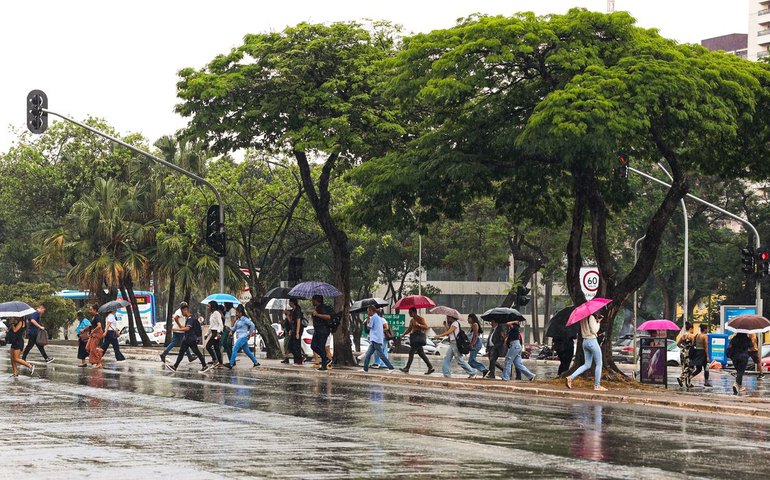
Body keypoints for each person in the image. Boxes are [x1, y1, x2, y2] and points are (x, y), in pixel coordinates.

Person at [165, 303, 211, 373]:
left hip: (190, 339)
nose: (182, 314)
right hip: (188, 338)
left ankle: (204, 366)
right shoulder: (189, 318)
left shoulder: (190, 319)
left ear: (185, 310)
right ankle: (175, 366)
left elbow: (187, 328)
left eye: (182, 312)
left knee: (195, 352)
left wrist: (177, 329)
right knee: (183, 352)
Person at [566, 313, 606, 391]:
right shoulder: (591, 317)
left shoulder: (583, 317)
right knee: (599, 363)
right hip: (592, 341)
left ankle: (570, 377)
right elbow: (594, 330)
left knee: (587, 364)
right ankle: (597, 385)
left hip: (585, 342)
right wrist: (598, 322)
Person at [360, 305, 395, 373]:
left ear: (371, 311)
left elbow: (368, 328)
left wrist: (367, 320)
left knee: (381, 355)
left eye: (368, 311)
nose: (367, 313)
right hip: (376, 339)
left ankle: (391, 368)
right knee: (368, 354)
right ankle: (365, 369)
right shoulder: (378, 318)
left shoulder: (373, 318)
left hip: (375, 339)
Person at [399, 307, 434, 374]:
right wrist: (403, 334)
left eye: (410, 312)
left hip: (418, 338)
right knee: (421, 354)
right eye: (409, 312)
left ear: (414, 312)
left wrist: (419, 325)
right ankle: (430, 367)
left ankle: (407, 368)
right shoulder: (412, 320)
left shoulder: (420, 319)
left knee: (411, 352)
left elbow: (426, 326)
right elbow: (409, 329)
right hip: (415, 338)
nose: (409, 314)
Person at [225, 305, 261, 369]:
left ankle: (231, 364)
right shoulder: (238, 320)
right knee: (247, 351)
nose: (236, 314)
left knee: (235, 348)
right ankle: (256, 363)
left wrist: (249, 334)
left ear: (240, 313)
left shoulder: (245, 319)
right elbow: (234, 328)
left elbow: (252, 325)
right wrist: (230, 329)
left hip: (243, 337)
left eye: (237, 313)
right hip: (240, 337)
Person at [310, 295, 334, 371]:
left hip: (323, 330)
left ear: (316, 300)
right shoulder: (317, 308)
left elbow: (329, 317)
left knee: (321, 346)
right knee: (313, 346)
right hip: (317, 330)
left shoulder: (323, 307)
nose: (312, 302)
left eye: (313, 300)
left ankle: (324, 364)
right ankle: (325, 358)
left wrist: (317, 315)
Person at [688, 324, 711, 388]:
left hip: (697, 353)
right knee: (706, 368)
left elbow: (693, 344)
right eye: (707, 328)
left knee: (698, 369)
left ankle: (690, 377)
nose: (708, 330)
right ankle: (706, 382)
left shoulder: (696, 335)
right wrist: (707, 356)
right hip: (703, 353)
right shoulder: (705, 336)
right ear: (705, 329)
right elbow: (706, 347)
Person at [205, 301, 224, 368]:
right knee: (216, 348)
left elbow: (220, 323)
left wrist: (218, 332)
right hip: (213, 331)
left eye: (209, 306)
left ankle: (215, 360)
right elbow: (211, 325)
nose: (208, 307)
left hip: (216, 332)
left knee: (208, 346)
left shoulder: (217, 313)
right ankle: (220, 363)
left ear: (212, 306)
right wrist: (207, 333)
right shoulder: (212, 314)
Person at [676, 322, 695, 388]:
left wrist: (683, 348)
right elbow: (693, 345)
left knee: (684, 367)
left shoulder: (683, 336)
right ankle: (681, 378)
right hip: (688, 353)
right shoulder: (692, 336)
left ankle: (688, 383)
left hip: (682, 352)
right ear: (690, 328)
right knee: (690, 367)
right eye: (693, 329)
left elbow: (677, 344)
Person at [286, 298, 304, 365]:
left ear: (293, 303)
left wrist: (297, 332)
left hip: (298, 330)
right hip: (293, 329)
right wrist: (288, 315)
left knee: (297, 346)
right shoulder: (293, 310)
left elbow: (298, 321)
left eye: (290, 302)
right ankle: (297, 359)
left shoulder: (298, 310)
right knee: (291, 345)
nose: (289, 304)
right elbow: (291, 322)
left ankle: (299, 360)